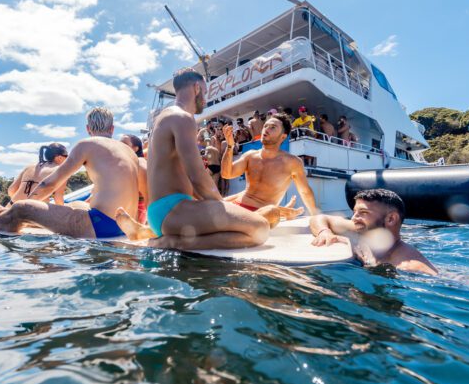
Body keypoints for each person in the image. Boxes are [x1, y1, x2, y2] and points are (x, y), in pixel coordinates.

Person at [115, 68, 300, 249]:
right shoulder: (183, 117)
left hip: (163, 211)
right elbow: (198, 177)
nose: (206, 97)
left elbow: (185, 177)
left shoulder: (165, 118)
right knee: (259, 228)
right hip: (173, 211)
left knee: (241, 217)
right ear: (196, 88)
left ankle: (148, 232)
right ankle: (169, 242)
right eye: (205, 92)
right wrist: (222, 207)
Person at [0, 108, 140, 239]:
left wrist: (10, 207)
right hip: (124, 225)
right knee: (75, 204)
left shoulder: (87, 144)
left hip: (101, 226)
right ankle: (15, 218)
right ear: (112, 129)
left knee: (23, 208)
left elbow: (49, 185)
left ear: (88, 129)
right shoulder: (128, 152)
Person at [309, 189, 438, 275]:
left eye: (363, 213)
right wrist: (324, 232)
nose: (354, 218)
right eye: (354, 212)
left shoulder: (409, 267)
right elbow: (319, 218)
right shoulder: (362, 228)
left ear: (391, 219)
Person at [222, 114, 319, 214]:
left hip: (264, 213)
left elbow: (305, 191)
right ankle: (285, 212)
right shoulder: (250, 156)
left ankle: (284, 212)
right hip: (238, 206)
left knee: (272, 212)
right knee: (214, 202)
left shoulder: (292, 162)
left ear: (283, 137)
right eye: (265, 126)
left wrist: (315, 214)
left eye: (272, 127)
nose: (266, 129)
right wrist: (230, 146)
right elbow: (226, 174)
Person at [121, 134, 148, 223]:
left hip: (136, 215)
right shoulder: (130, 164)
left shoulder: (139, 164)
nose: (119, 146)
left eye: (124, 143)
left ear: (135, 148)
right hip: (132, 212)